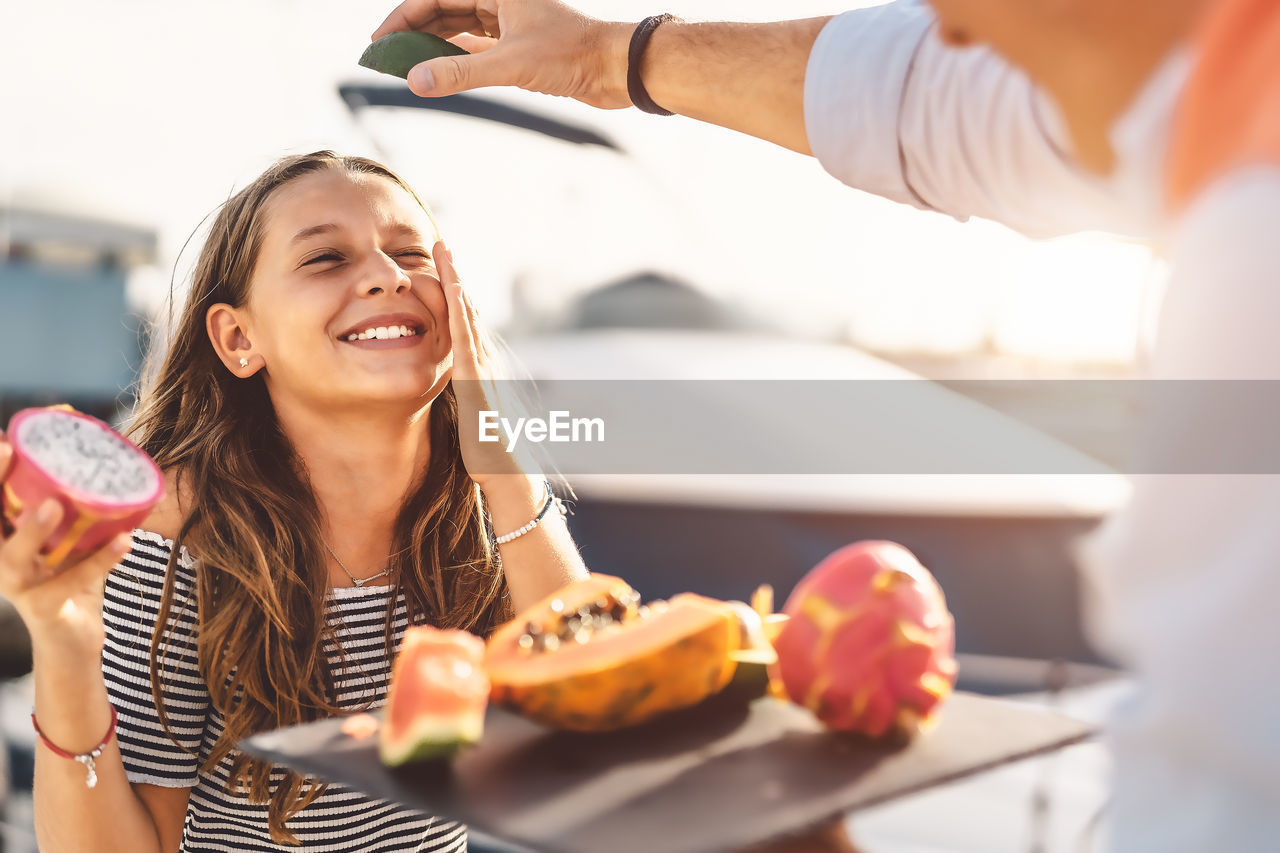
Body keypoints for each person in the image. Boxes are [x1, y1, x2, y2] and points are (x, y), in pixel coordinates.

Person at [369, 0, 1280, 850]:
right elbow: (922, 97)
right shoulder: (1209, 95)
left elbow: (1221, 805)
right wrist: (607, 57)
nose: (945, 28)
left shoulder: (1256, 241)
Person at [0, 150, 589, 852]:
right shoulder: (175, 537)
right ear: (239, 338)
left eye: (410, 251)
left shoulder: (496, 507)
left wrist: (504, 463)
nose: (386, 274)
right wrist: (66, 650)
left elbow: (596, 730)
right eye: (326, 259)